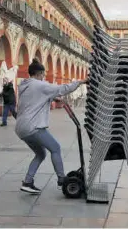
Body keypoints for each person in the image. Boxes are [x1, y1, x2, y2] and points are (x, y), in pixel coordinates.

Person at [15, 58, 87, 194]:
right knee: (55, 148)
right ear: (39, 73)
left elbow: (35, 99)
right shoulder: (39, 84)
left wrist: (52, 98)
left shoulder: (26, 85)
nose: (44, 77)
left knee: (40, 154)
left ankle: (28, 182)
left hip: (21, 127)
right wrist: (80, 82)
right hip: (33, 126)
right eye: (43, 74)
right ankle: (61, 179)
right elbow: (62, 89)